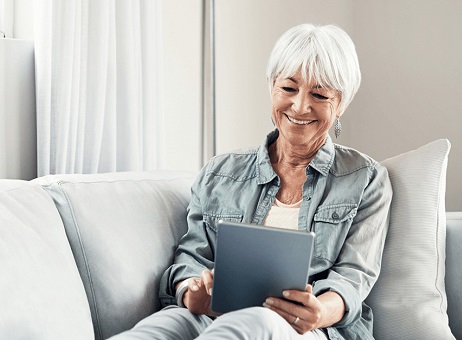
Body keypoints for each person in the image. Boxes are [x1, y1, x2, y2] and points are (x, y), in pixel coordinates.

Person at [110, 23, 392, 340]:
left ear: (341, 103)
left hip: (311, 331)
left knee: (256, 323)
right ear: (271, 87)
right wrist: (193, 294)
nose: (300, 106)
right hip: (213, 317)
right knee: (159, 328)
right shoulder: (220, 172)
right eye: (288, 88)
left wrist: (318, 311)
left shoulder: (365, 178)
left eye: (319, 94)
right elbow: (190, 259)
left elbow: (353, 277)